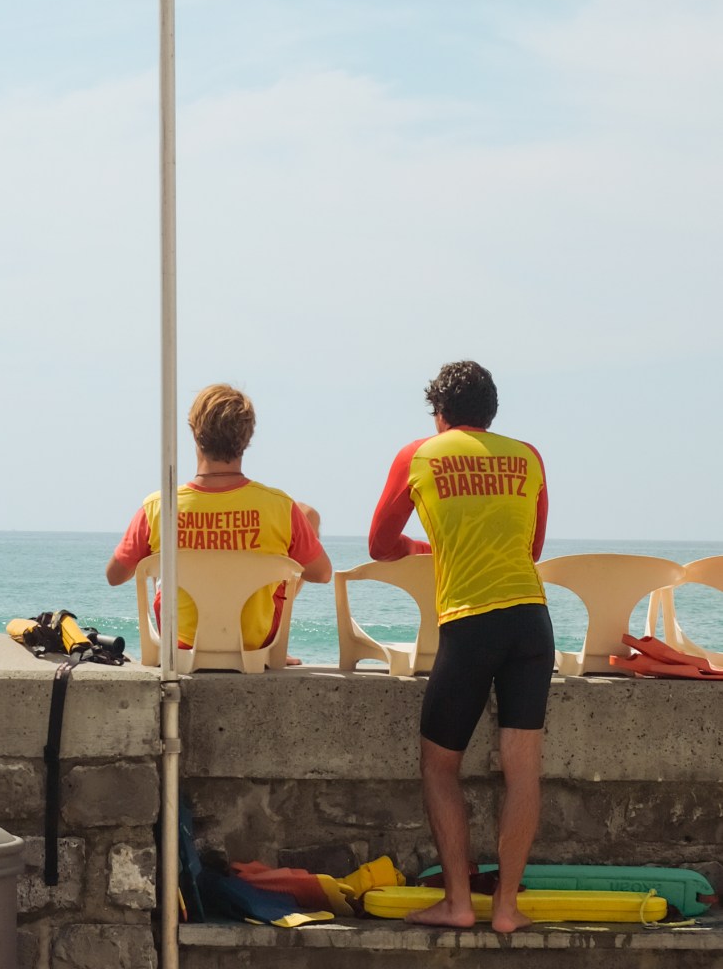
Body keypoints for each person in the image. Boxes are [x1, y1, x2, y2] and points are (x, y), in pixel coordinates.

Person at [368, 360, 553, 933]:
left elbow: (379, 543)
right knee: (521, 770)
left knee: (439, 766)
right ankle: (505, 908)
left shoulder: (418, 455)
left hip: (471, 624)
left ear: (439, 413)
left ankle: (455, 902)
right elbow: (534, 547)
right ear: (491, 412)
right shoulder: (527, 456)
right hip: (532, 620)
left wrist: (428, 547)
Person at [106, 384, 331, 662]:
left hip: (180, 647)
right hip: (253, 647)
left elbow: (114, 576)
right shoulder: (280, 506)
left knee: (162, 566)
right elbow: (321, 574)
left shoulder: (159, 506)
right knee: (300, 529)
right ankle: (270, 647)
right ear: (247, 437)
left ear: (194, 433)